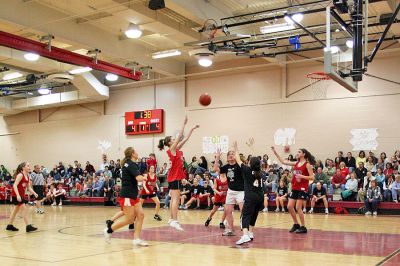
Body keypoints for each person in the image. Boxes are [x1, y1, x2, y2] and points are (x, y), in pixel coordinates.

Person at [158, 116, 199, 231]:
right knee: (176, 198)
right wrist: (183, 124)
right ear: (170, 142)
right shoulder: (171, 149)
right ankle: (175, 220)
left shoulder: (176, 150)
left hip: (174, 176)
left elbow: (184, 139)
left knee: (173, 198)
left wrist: (192, 129)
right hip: (174, 177)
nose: (175, 139)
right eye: (173, 139)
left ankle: (171, 219)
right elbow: (180, 136)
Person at [104, 147, 148, 246]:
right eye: (136, 151)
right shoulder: (131, 164)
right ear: (132, 154)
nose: (137, 153)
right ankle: (109, 230)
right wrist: (146, 177)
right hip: (127, 195)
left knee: (140, 215)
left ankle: (136, 239)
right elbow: (138, 178)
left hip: (133, 195)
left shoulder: (129, 163)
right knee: (130, 219)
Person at [271, 146, 315, 234]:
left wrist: (302, 176)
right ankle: (296, 224)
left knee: (298, 207)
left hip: (302, 188)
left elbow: (312, 177)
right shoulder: (296, 163)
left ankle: (303, 227)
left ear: (303, 154)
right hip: (295, 187)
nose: (297, 153)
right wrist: (275, 153)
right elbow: (283, 161)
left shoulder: (307, 164)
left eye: (299, 152)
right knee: (289, 206)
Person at [233, 140, 264, 245]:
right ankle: (250, 233)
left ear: (250, 163)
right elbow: (257, 161)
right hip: (260, 197)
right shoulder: (260, 171)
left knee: (245, 216)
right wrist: (252, 147)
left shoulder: (247, 170)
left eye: (249, 160)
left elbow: (238, 159)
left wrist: (235, 148)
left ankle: (245, 235)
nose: (248, 161)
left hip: (250, 197)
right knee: (254, 214)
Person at [213, 147, 245, 237]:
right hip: (231, 191)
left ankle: (246, 228)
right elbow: (215, 169)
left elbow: (241, 163)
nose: (231, 155)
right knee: (227, 210)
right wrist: (218, 157)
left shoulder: (239, 165)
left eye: (232, 154)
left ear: (235, 156)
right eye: (229, 154)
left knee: (243, 209)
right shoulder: (226, 167)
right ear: (227, 158)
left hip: (241, 191)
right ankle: (231, 230)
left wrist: (236, 151)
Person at [6, 162, 38, 232]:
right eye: (28, 166)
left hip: (21, 196)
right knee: (24, 209)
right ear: (23, 168)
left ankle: (9, 225)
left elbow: (29, 188)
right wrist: (17, 195)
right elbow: (14, 185)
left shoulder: (28, 176)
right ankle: (28, 226)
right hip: (16, 195)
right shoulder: (20, 175)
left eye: (29, 166)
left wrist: (34, 193)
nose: (29, 167)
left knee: (15, 211)